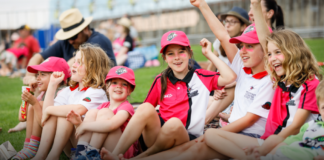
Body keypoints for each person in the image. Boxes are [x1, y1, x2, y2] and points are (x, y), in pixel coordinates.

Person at [157, 0, 321, 159]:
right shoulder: (246, 68)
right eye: (242, 46)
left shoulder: (273, 76)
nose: (242, 51)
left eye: (250, 46)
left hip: (259, 136)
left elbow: (257, 121)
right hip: (255, 136)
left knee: (203, 144)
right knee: (197, 145)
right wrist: (202, 4)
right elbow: (222, 35)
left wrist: (256, 5)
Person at [100, 30, 236, 160]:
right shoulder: (161, 80)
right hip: (159, 135)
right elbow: (145, 113)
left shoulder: (201, 77)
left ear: (189, 53)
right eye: (170, 54)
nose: (176, 58)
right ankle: (116, 154)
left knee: (174, 123)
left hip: (186, 138)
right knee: (145, 107)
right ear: (165, 58)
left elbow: (230, 77)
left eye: (181, 52)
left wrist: (209, 54)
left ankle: (144, 156)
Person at [32, 44, 111, 160]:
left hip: (87, 146)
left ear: (92, 68)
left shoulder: (97, 91)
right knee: (59, 112)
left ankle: (53, 155)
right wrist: (52, 85)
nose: (73, 65)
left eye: (79, 62)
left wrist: (49, 110)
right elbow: (47, 116)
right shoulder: (68, 90)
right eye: (75, 61)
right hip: (71, 145)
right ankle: (41, 155)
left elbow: (79, 109)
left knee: (68, 113)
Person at [23, 8, 116, 86]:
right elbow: (38, 57)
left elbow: (70, 65)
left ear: (85, 29)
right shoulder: (66, 42)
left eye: (73, 36)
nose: (70, 41)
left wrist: (47, 78)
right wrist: (30, 76)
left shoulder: (98, 41)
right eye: (68, 37)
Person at [66, 66, 137, 159]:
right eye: (114, 83)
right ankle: (81, 153)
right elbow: (90, 130)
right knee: (92, 112)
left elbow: (112, 125)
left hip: (121, 152)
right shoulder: (103, 106)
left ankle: (91, 154)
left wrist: (84, 126)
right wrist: (79, 124)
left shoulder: (126, 107)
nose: (119, 86)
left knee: (105, 113)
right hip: (104, 148)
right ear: (107, 87)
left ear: (130, 91)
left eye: (124, 84)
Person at [247, 80, 324, 160]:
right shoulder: (311, 126)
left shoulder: (310, 85)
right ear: (318, 108)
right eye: (323, 108)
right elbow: (285, 143)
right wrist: (265, 155)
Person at [11, 57, 70, 160]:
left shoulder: (63, 92)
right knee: (35, 106)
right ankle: (28, 146)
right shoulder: (43, 92)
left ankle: (32, 148)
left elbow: (44, 123)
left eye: (42, 74)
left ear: (58, 76)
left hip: (60, 136)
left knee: (39, 104)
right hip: (48, 134)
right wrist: (29, 97)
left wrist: (35, 103)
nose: (37, 78)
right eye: (37, 74)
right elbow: (22, 118)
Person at [206, 6, 250, 125]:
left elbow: (242, 78)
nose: (227, 25)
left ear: (243, 27)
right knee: (194, 100)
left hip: (234, 96)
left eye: (233, 22)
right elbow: (212, 68)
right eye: (226, 21)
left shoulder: (243, 54)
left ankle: (201, 122)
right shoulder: (223, 45)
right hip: (225, 92)